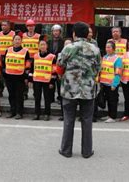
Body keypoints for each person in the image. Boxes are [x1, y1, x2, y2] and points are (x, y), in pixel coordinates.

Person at [57, 22, 101, 158]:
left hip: (70, 89)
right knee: (87, 120)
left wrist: (64, 76)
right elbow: (98, 68)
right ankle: (87, 151)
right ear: (87, 34)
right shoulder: (95, 49)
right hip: (88, 89)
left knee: (69, 119)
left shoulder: (68, 48)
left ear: (74, 34)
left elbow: (59, 65)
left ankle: (66, 150)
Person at [2, 34, 31, 119]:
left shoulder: (25, 51)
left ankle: (19, 112)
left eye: (19, 39)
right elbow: (4, 63)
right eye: (16, 39)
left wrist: (26, 77)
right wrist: (4, 73)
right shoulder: (8, 50)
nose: (17, 41)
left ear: (21, 41)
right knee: (11, 95)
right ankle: (12, 111)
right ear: (13, 41)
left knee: (19, 95)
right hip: (9, 77)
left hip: (20, 77)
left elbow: (28, 65)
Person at [30, 40, 56, 121]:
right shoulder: (35, 56)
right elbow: (32, 69)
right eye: (41, 45)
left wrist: (52, 82)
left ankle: (47, 114)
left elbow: (54, 70)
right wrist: (30, 80)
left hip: (47, 81)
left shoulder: (52, 57)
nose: (42, 46)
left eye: (44, 45)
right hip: (37, 80)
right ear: (39, 47)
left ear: (47, 46)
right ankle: (37, 114)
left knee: (47, 98)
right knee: (37, 98)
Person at [98, 41, 122, 123]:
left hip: (112, 83)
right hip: (104, 83)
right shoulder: (104, 57)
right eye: (106, 47)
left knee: (113, 100)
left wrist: (115, 84)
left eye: (109, 47)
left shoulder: (117, 59)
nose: (107, 49)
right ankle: (109, 115)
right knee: (107, 100)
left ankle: (113, 116)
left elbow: (118, 73)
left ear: (114, 48)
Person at [48, 24, 65, 111]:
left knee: (59, 82)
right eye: (54, 31)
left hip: (59, 64)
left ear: (60, 32)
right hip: (51, 64)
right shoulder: (49, 42)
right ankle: (51, 98)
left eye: (57, 31)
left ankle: (59, 97)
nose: (56, 33)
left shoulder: (63, 42)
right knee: (50, 81)